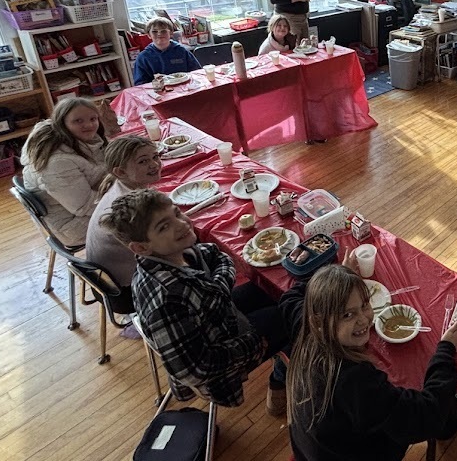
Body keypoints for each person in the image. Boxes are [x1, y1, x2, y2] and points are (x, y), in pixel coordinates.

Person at [100, 188, 295, 414]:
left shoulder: (175, 253)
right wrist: (252, 343)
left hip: (218, 315)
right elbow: (195, 369)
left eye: (176, 213)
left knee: (280, 291)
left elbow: (218, 255)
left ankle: (283, 352)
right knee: (300, 311)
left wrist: (218, 288)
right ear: (141, 247)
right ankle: (280, 379)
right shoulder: (167, 299)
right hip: (221, 365)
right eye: (164, 226)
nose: (182, 224)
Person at [287, 260, 457, 461]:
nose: (364, 319)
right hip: (360, 452)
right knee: (433, 409)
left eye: (364, 305)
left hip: (313, 450)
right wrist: (446, 350)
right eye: (347, 314)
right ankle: (451, 420)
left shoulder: (307, 333)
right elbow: (426, 417)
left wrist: (337, 282)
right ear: (318, 322)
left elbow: (289, 299)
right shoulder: (355, 380)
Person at [85, 135, 162, 308]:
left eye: (155, 157)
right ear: (120, 172)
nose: (154, 164)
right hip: (128, 291)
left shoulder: (119, 185)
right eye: (143, 162)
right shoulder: (131, 208)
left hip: (107, 282)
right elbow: (162, 248)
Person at [20, 97, 108, 247]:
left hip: (79, 210)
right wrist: (125, 194)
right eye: (78, 121)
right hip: (72, 227)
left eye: (93, 118)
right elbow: (85, 206)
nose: (88, 125)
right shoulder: (57, 163)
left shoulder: (76, 140)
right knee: (148, 211)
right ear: (62, 123)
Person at [133, 16, 201, 85]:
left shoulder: (182, 51)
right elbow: (140, 84)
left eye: (163, 31)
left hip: (183, 88)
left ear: (171, 33)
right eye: (154, 31)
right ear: (149, 35)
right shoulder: (143, 57)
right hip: (159, 91)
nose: (159, 34)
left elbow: (197, 72)